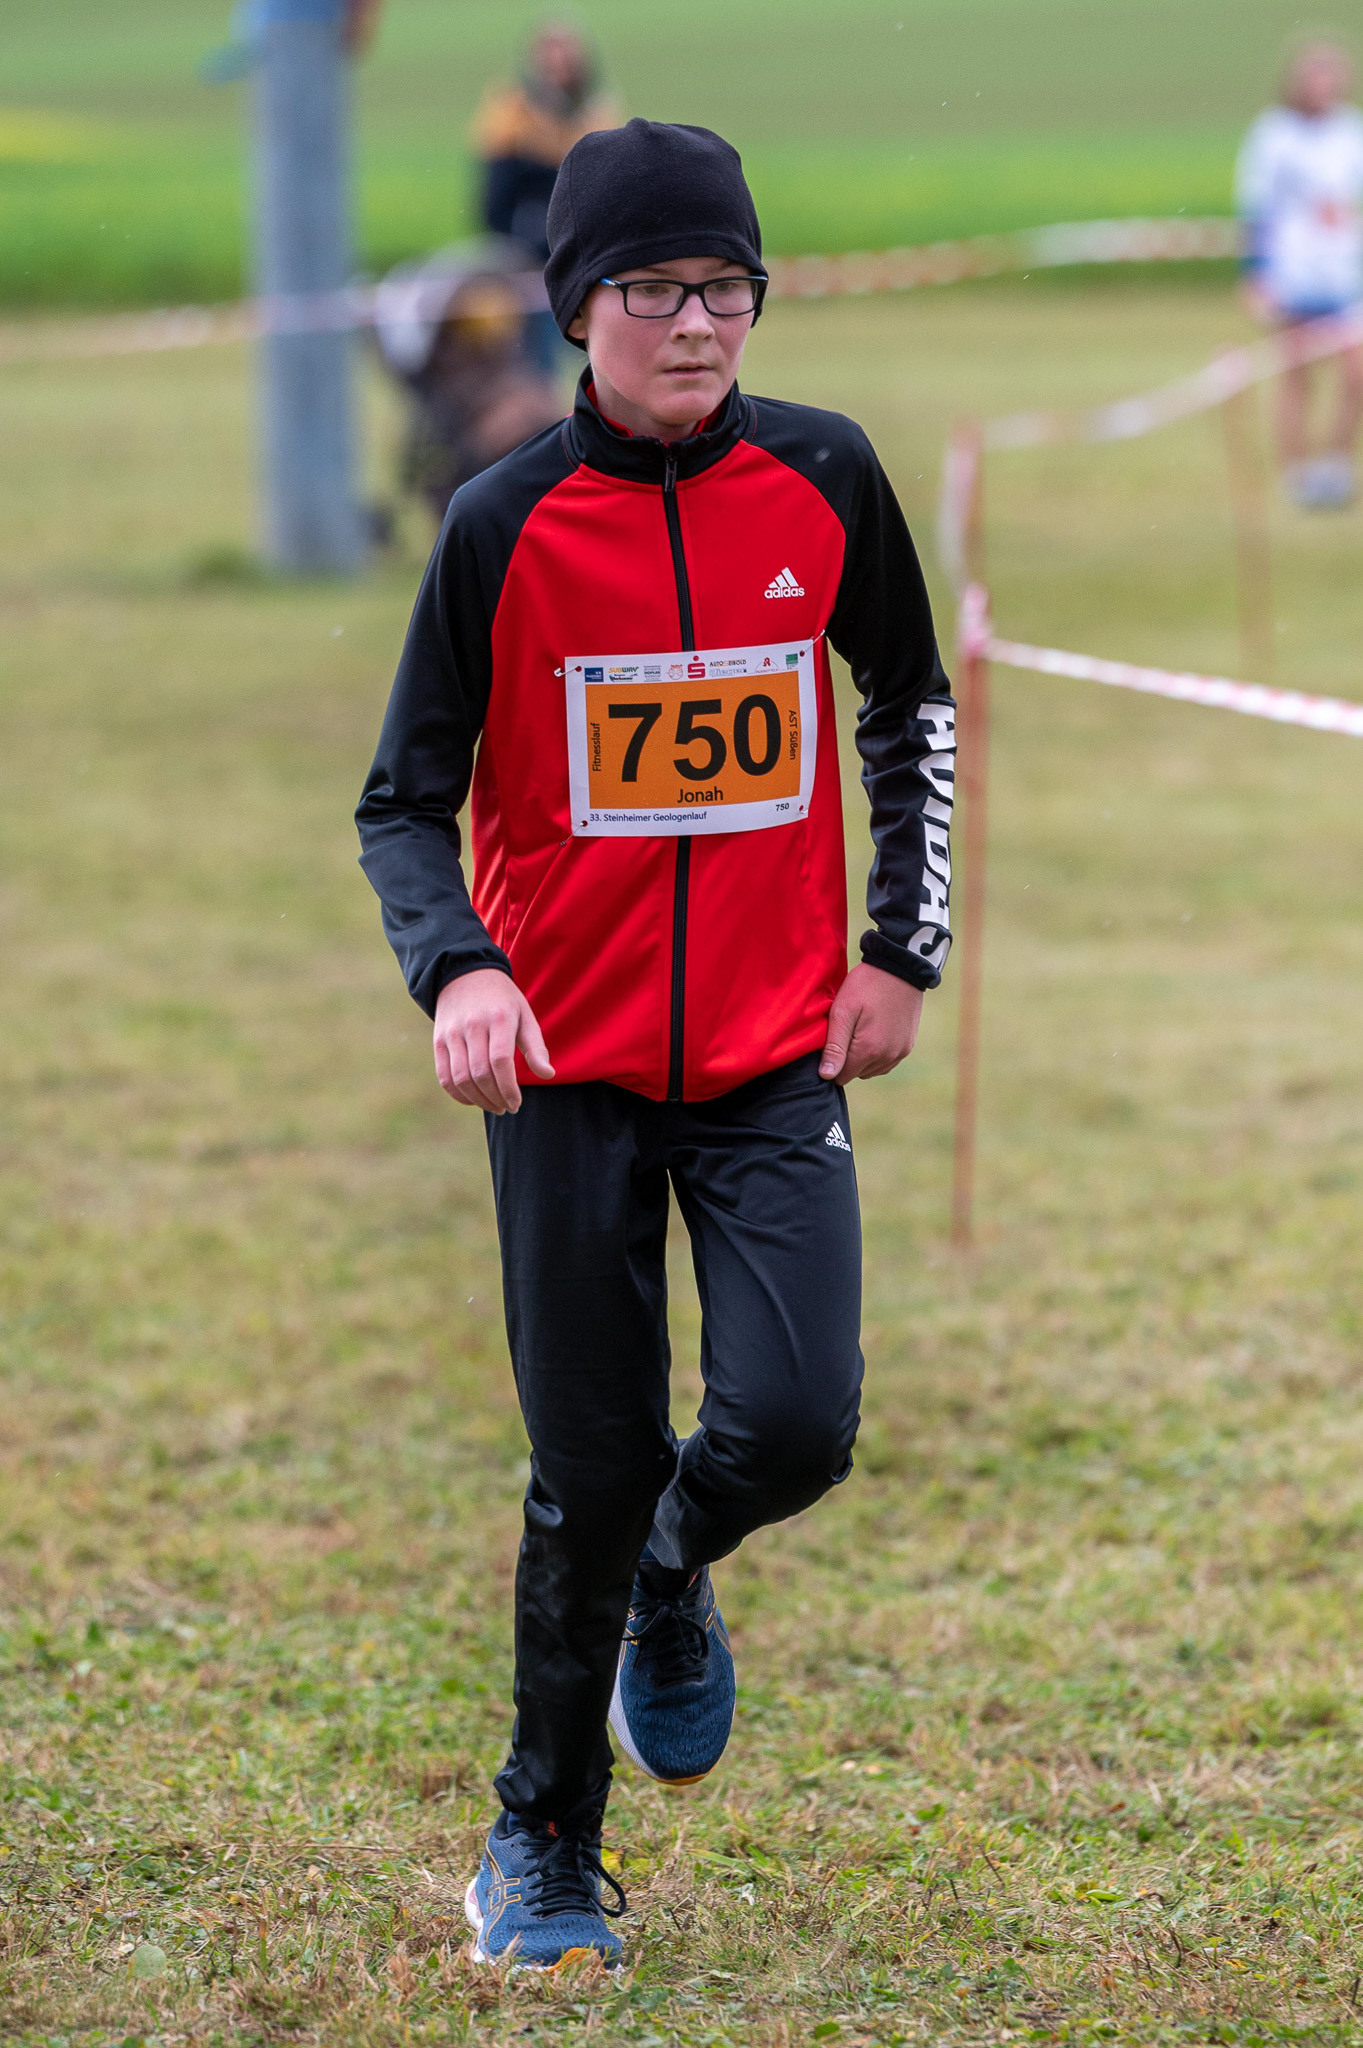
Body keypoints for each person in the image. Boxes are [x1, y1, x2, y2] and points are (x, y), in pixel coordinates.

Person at [356, 119, 954, 1971]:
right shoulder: (500, 523)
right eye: (653, 290)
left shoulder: (825, 478)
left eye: (726, 288)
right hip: (568, 1069)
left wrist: (898, 951)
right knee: (588, 1464)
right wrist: (460, 970)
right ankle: (538, 1842)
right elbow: (402, 801)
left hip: (774, 1053)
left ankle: (672, 1573)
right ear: (575, 308)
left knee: (794, 1419)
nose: (696, 325)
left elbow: (908, 704)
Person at [1236, 40, 1363, 508]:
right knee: (1297, 376)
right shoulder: (1273, 135)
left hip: (1343, 276)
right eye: (1317, 77)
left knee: (1356, 374)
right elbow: (1256, 209)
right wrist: (1256, 274)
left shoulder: (1351, 131)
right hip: (1293, 275)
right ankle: (1296, 473)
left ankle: (1335, 466)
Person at [472, 22, 620, 373]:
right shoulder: (510, 112)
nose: (557, 71)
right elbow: (495, 195)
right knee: (534, 347)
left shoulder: (595, 113)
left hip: (580, 250)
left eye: (564, 61)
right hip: (524, 250)